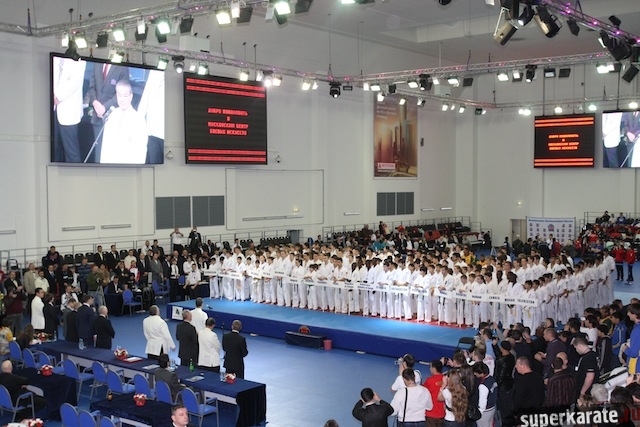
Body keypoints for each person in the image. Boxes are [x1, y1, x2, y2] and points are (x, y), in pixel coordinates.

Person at [86, 62, 129, 162]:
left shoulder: (122, 67)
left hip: (114, 118)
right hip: (97, 117)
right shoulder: (97, 64)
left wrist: (104, 107)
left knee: (111, 155)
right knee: (98, 155)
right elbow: (92, 87)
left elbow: (122, 93)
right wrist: (95, 102)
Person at [423, 360, 445, 427]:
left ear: (434, 368)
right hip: (442, 413)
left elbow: (422, 392)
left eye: (430, 367)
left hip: (431, 413)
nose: (430, 369)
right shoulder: (446, 380)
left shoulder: (429, 381)